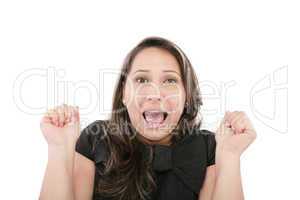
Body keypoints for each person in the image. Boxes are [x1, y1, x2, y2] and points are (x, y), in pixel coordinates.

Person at [39, 36, 257, 200]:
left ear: (187, 95)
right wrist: (59, 150)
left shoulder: (210, 148)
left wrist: (229, 156)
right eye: (142, 80)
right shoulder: (96, 140)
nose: (155, 93)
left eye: (169, 81)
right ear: (124, 93)